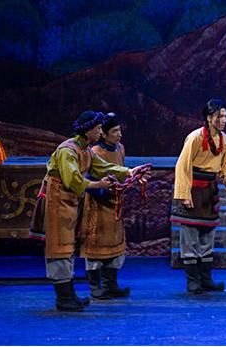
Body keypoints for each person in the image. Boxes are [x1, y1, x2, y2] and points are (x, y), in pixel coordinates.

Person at [29, 111, 150, 312]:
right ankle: (63, 297)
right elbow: (73, 180)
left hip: (68, 202)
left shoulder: (85, 149)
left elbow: (103, 166)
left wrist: (129, 171)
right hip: (56, 203)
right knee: (59, 248)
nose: (100, 132)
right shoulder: (68, 150)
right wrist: (98, 185)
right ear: (87, 131)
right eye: (98, 129)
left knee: (68, 247)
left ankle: (69, 294)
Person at [172, 99, 226, 293]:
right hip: (193, 189)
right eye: (219, 116)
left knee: (207, 237)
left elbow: (225, 166)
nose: (223, 120)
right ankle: (193, 280)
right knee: (191, 237)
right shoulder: (195, 138)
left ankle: (206, 278)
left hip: (209, 191)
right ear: (209, 118)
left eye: (225, 116)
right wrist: (184, 194)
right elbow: (182, 166)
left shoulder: (223, 139)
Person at [81, 112, 131, 300]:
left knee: (115, 244)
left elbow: (121, 172)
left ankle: (111, 284)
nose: (119, 134)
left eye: (120, 130)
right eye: (115, 131)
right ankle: (95, 286)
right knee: (96, 244)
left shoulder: (120, 148)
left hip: (115, 204)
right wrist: (103, 191)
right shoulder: (94, 152)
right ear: (103, 133)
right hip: (99, 204)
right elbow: (87, 180)